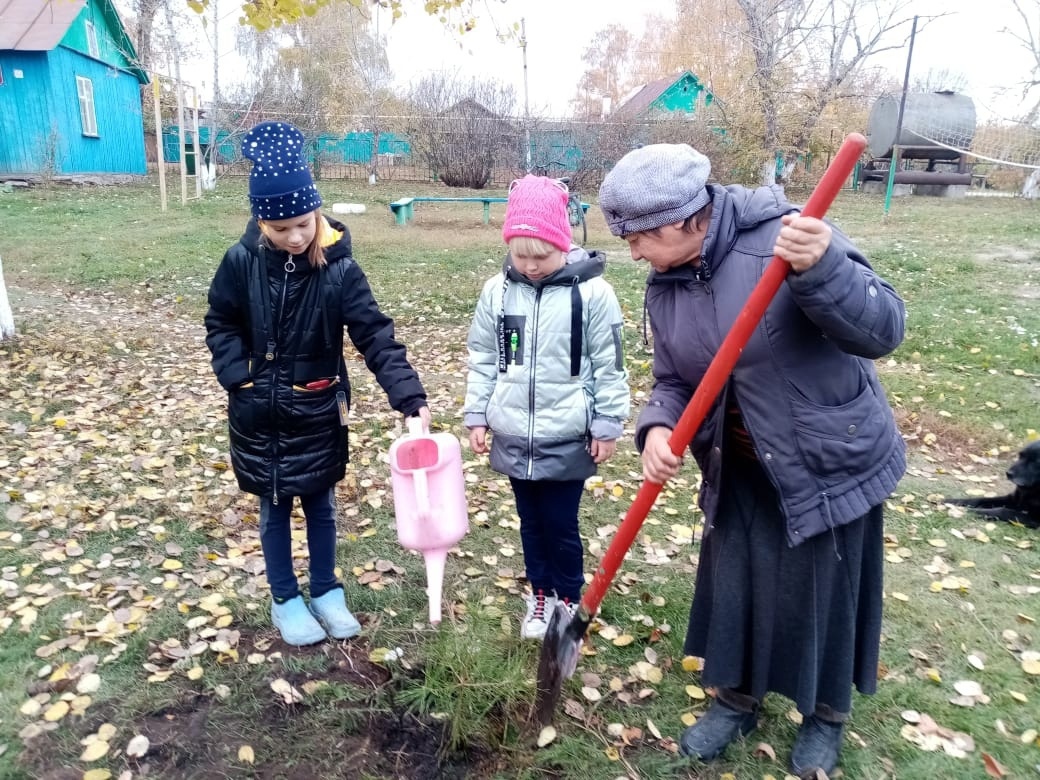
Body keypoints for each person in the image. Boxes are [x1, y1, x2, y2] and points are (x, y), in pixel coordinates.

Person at [598, 144, 906, 777]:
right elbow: (673, 378)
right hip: (739, 464)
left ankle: (826, 714)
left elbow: (883, 331)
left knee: (825, 592)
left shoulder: (790, 236)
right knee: (737, 586)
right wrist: (656, 426)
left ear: (688, 219)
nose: (632, 253)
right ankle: (737, 699)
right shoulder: (667, 285)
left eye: (640, 237)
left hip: (825, 456)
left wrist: (824, 272)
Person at [205, 121, 431, 646]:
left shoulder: (339, 270)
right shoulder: (240, 263)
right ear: (262, 221)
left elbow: (374, 334)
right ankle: (285, 598)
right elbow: (220, 320)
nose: (296, 236)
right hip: (258, 413)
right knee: (274, 508)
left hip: (317, 410)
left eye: (303, 223)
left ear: (316, 211)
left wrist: (409, 396)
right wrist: (237, 375)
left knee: (323, 505)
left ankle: (327, 590)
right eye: (281, 228)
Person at [464, 175, 630, 641]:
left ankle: (568, 599)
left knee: (561, 525)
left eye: (542, 256)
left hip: (568, 435)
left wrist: (608, 421)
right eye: (521, 256)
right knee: (531, 524)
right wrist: (477, 413)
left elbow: (610, 364)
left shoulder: (593, 295)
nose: (531, 266)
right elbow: (483, 356)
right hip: (515, 432)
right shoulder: (497, 293)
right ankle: (540, 594)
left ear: (563, 244)